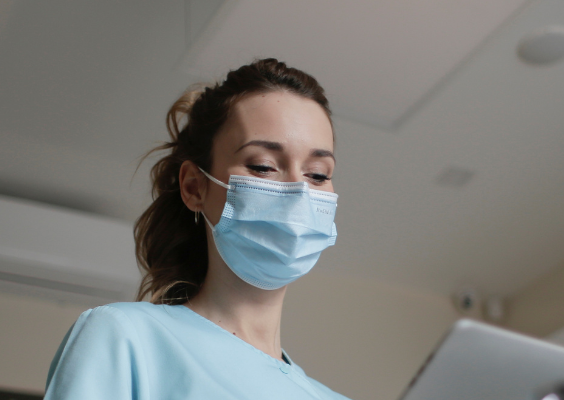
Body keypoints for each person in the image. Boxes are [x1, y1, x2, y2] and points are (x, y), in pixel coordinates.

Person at [44, 59, 349, 399]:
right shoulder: (127, 337)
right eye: (263, 167)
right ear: (194, 187)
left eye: (318, 174)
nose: (298, 193)